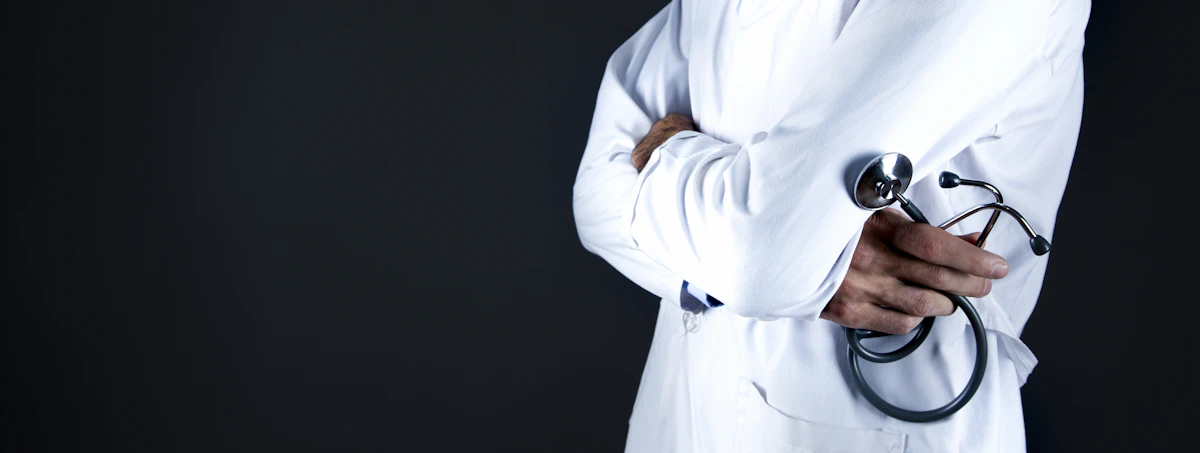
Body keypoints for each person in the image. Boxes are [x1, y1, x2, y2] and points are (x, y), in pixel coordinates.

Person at [572, 0, 1090, 451]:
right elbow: (594, 193)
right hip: (682, 415)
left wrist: (663, 156)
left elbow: (760, 254)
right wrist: (766, 245)